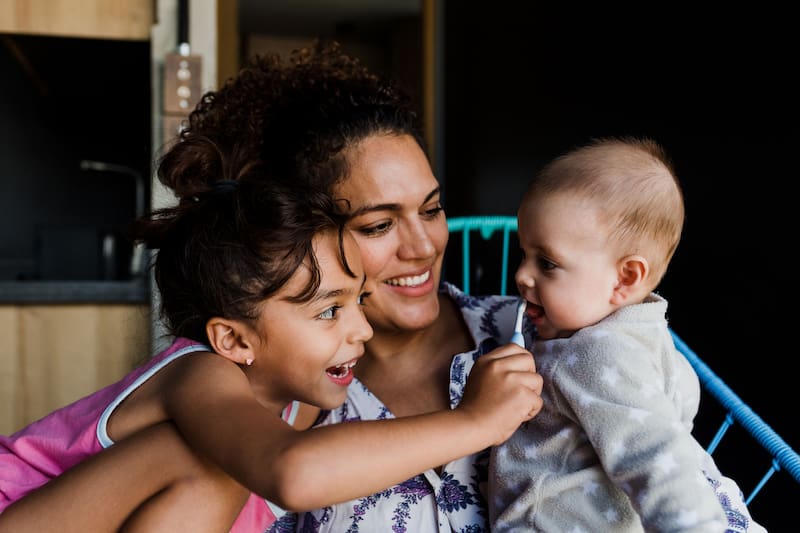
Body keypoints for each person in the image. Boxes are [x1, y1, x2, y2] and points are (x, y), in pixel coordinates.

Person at [0, 134, 543, 530]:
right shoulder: (200, 376)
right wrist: (475, 421)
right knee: (208, 462)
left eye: (357, 301)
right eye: (329, 311)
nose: (361, 330)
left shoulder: (292, 396)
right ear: (234, 340)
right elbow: (293, 473)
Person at [171, 41, 541, 531]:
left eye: (431, 209)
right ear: (306, 239)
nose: (423, 246)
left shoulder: (536, 333)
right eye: (378, 225)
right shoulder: (276, 399)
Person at [488, 137, 766, 532]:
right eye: (523, 254)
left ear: (625, 278)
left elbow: (656, 458)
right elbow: (680, 397)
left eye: (546, 263)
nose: (521, 275)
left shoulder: (598, 354)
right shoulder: (647, 336)